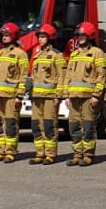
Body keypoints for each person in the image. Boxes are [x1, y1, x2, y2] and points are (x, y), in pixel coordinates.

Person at [63, 21, 106, 166]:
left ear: (90, 36)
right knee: (74, 127)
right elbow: (68, 76)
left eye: (83, 35)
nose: (80, 37)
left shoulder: (97, 53)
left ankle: (88, 155)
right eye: (79, 35)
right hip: (73, 98)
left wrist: (96, 95)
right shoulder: (74, 54)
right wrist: (66, 95)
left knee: (88, 127)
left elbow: (101, 76)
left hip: (88, 98)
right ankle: (77, 154)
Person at [0, 23, 29, 162]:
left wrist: (20, 95)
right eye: (3, 35)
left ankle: (10, 152)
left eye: (7, 35)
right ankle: (1, 151)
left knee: (10, 124)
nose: (4, 37)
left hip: (12, 96)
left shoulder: (20, 54)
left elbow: (23, 76)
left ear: (13, 36)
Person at [28, 24, 66, 165]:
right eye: (39, 37)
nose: (40, 39)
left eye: (43, 37)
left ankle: (50, 154)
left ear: (50, 38)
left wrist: (58, 95)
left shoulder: (57, 55)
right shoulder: (37, 56)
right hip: (37, 97)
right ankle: (40, 153)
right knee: (37, 125)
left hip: (50, 97)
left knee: (49, 125)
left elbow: (62, 76)